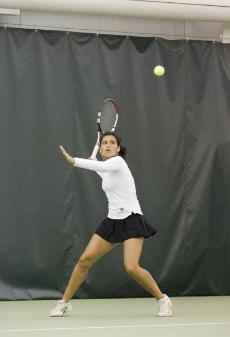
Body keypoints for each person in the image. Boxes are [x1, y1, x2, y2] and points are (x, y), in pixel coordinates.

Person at [50, 132, 172, 317]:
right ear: (100, 148)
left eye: (112, 143)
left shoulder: (118, 162)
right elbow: (99, 169)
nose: (108, 145)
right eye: (104, 143)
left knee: (131, 267)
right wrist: (94, 163)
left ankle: (163, 299)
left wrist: (73, 160)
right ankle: (64, 302)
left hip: (131, 219)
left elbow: (98, 166)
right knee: (85, 260)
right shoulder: (107, 168)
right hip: (112, 221)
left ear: (117, 149)